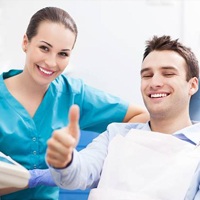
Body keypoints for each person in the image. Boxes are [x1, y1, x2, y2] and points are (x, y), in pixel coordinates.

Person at [0, 6, 149, 200]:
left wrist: (87, 159)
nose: (52, 63)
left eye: (63, 54)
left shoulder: (74, 94)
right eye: (44, 48)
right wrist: (29, 180)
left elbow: (141, 117)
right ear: (26, 43)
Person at [46, 35, 200, 200]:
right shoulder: (116, 134)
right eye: (147, 75)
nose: (154, 82)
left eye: (168, 74)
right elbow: (79, 173)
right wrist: (65, 160)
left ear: (192, 85)